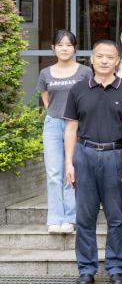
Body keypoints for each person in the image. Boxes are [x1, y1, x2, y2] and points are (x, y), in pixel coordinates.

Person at [63, 40, 122, 284]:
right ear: (92, 59)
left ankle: (116, 268)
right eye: (100, 56)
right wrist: (69, 163)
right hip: (84, 155)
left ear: (117, 61)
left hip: (115, 155)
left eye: (110, 57)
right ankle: (86, 269)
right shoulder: (78, 89)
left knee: (116, 217)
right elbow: (71, 128)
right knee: (85, 217)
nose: (105, 61)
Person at [38, 30, 90, 234]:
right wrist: (56, 114)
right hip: (53, 124)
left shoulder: (85, 72)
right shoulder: (45, 73)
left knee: (71, 171)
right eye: (60, 45)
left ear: (75, 48)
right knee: (53, 173)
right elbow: (46, 99)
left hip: (76, 125)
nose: (64, 49)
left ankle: (70, 218)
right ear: (53, 48)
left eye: (69, 45)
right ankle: (54, 218)